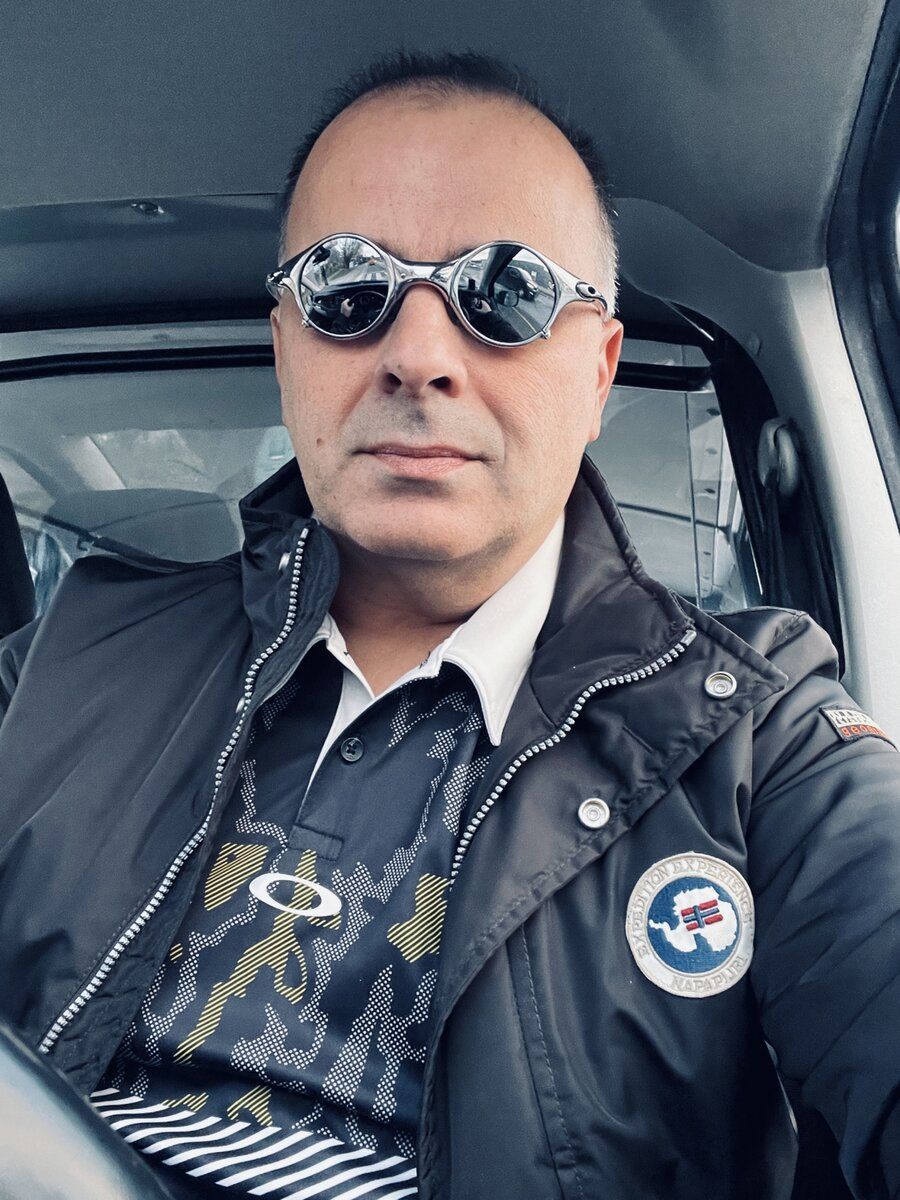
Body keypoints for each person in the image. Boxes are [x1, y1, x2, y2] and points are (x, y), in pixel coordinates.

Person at [0, 49, 898, 1200]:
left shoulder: (760, 744)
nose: (418, 358)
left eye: (505, 293)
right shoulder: (66, 662)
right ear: (286, 345)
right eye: (345, 286)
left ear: (598, 370)